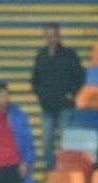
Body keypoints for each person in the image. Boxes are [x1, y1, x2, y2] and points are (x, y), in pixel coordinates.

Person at [31, 25, 85, 172]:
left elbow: (80, 76)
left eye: (53, 36)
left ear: (59, 36)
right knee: (46, 141)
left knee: (65, 142)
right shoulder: (41, 56)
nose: (51, 39)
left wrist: (72, 93)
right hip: (47, 107)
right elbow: (35, 80)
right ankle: (51, 171)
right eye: (48, 36)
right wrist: (41, 95)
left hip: (65, 107)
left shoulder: (69, 55)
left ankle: (65, 170)